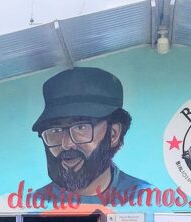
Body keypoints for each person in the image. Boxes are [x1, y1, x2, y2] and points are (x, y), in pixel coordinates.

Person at [31, 67, 151, 204]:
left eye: (80, 127)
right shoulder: (31, 207)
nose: (66, 144)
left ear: (113, 134)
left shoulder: (146, 200)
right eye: (55, 131)